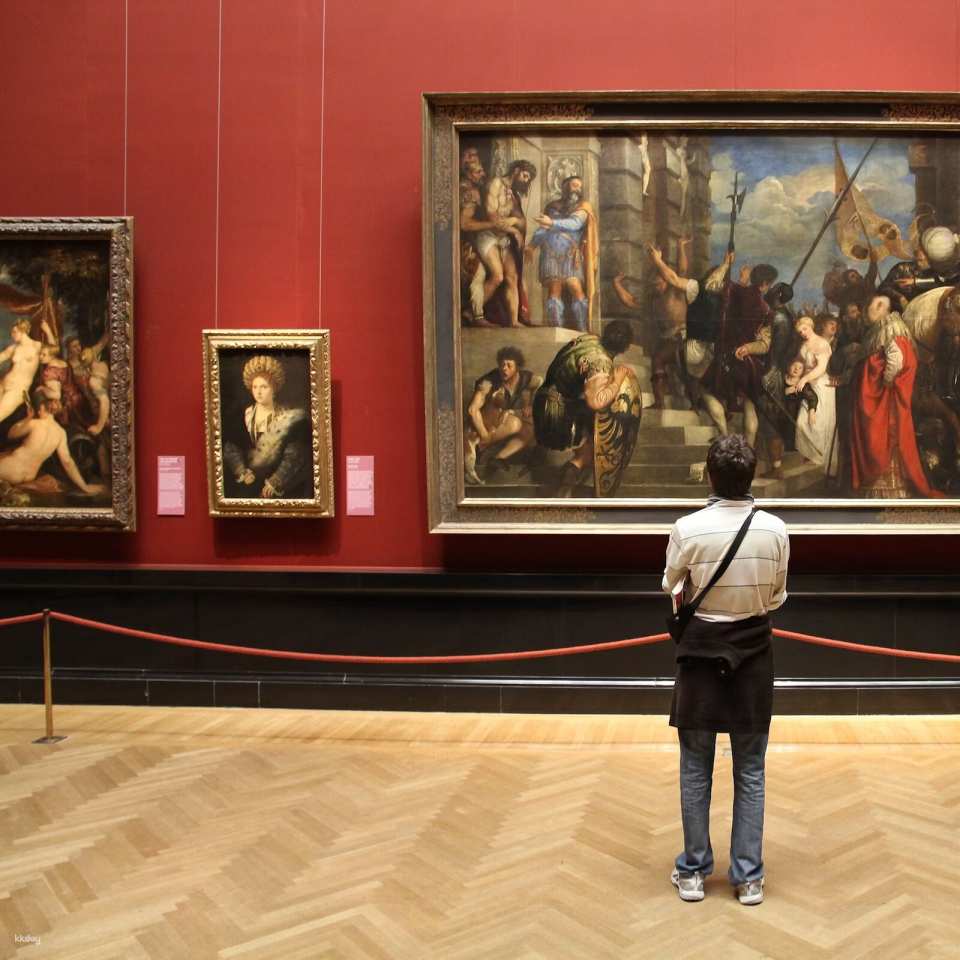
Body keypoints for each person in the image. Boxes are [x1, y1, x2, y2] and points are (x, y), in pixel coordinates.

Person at [662, 434, 789, 906]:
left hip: (700, 654)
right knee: (751, 769)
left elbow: (670, 584)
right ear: (750, 476)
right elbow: (776, 597)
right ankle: (748, 877)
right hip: (753, 654)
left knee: (696, 767)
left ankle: (694, 871)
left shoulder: (687, 528)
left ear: (710, 476)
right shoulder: (775, 529)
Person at [533, 319, 640, 496]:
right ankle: (564, 489)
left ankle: (564, 487)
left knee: (594, 435)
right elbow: (596, 401)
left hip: (544, 401)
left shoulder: (589, 340)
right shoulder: (600, 362)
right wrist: (618, 379)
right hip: (555, 411)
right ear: (625, 347)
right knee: (593, 451)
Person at [850, 294, 941, 498]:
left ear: (880, 307)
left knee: (885, 439)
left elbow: (897, 360)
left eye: (869, 308)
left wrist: (885, 382)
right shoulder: (883, 329)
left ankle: (891, 491)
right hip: (880, 396)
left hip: (886, 398)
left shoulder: (891, 329)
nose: (865, 313)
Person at [613, 239, 698, 409]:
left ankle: (695, 404)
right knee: (658, 360)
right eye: (654, 284)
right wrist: (616, 284)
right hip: (668, 340)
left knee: (687, 372)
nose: (656, 287)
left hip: (684, 338)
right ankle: (659, 402)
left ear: (665, 281)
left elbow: (681, 270)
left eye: (658, 283)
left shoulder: (676, 290)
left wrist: (680, 247)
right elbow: (630, 302)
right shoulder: (654, 299)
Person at [222, 355, 311, 499]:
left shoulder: (287, 417)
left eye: (264, 387)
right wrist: (241, 470)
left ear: (274, 388)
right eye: (255, 387)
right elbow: (231, 447)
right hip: (247, 483)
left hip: (275, 487)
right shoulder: (246, 414)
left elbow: (295, 454)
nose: (258, 392)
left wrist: (276, 481)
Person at [464, 346, 543, 484]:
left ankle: (498, 458)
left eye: (509, 365)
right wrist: (484, 435)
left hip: (501, 421)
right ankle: (481, 447)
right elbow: (472, 410)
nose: (504, 368)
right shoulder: (488, 382)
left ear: (517, 367)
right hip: (483, 425)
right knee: (515, 424)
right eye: (502, 365)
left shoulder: (525, 378)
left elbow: (540, 382)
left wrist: (531, 404)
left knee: (529, 430)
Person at [529, 175, 599, 331]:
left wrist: (552, 222)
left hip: (570, 254)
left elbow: (575, 224)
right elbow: (543, 228)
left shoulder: (583, 206)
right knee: (554, 289)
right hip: (550, 253)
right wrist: (532, 245)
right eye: (574, 185)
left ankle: (582, 329)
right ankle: (556, 328)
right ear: (565, 187)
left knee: (575, 286)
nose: (577, 189)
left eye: (579, 186)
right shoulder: (552, 206)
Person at [0, 391, 103, 496]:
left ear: (41, 407)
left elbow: (11, 434)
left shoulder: (34, 424)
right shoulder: (60, 433)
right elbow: (68, 463)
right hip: (28, 477)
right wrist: (85, 487)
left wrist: (28, 418)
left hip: (11, 470)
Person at [478, 159, 537, 327]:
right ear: (516, 170)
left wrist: (513, 220)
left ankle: (514, 321)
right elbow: (492, 217)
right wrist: (514, 230)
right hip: (488, 235)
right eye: (525, 175)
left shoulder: (514, 195)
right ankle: (473, 312)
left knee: (512, 277)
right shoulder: (496, 184)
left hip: (503, 238)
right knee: (498, 276)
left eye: (528, 178)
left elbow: (522, 222)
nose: (526, 180)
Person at [792, 316, 838, 476]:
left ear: (811, 326)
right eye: (800, 332)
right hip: (808, 388)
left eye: (805, 329)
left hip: (822, 387)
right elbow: (799, 364)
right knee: (802, 423)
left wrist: (804, 379)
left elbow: (821, 368)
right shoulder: (803, 345)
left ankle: (822, 465)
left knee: (819, 425)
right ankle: (812, 460)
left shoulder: (821, 344)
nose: (803, 333)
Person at [0, 319, 42, 425]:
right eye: (11, 332)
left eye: (14, 332)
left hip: (18, 390)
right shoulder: (13, 348)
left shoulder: (37, 346)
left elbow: (54, 348)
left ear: (23, 330)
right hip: (3, 385)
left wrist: (47, 331)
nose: (12, 335)